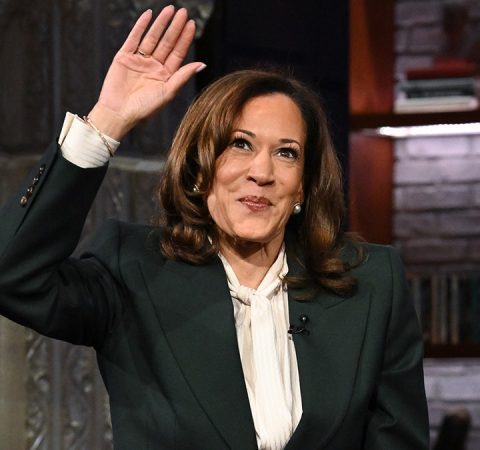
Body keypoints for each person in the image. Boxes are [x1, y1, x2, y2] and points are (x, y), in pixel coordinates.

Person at [0, 6, 429, 450]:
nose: (261, 172)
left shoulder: (371, 284)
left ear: (303, 184)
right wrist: (106, 121)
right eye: (240, 145)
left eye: (286, 153)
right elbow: (11, 275)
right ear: (199, 169)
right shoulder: (133, 270)